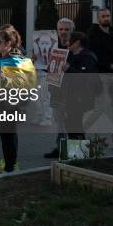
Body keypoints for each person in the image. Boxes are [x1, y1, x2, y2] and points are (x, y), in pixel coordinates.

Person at [0, 25, 37, 173]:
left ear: (8, 43)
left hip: (8, 106)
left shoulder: (15, 60)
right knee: (6, 137)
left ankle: (11, 167)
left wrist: (0, 78)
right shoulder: (1, 58)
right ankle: (9, 163)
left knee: (8, 136)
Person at [86, 8, 113, 149]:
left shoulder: (111, 31)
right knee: (99, 108)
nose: (106, 18)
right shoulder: (93, 35)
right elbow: (96, 57)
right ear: (98, 18)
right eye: (103, 16)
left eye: (108, 16)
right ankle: (77, 134)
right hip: (101, 76)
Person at [44, 18, 75, 159]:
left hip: (73, 91)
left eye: (66, 29)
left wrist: (71, 68)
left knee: (75, 121)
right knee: (59, 122)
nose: (63, 32)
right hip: (56, 89)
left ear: (72, 31)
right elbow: (47, 67)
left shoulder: (77, 47)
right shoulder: (52, 47)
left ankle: (77, 155)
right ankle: (60, 148)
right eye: (61, 29)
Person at [62, 31, 99, 140]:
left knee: (75, 123)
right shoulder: (73, 55)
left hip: (80, 96)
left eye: (70, 40)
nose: (67, 43)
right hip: (72, 95)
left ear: (77, 43)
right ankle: (76, 151)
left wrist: (68, 69)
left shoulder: (87, 57)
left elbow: (85, 77)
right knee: (71, 123)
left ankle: (80, 151)